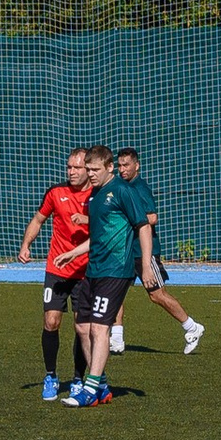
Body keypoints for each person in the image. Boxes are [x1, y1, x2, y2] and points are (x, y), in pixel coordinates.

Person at [64, 146, 153, 407]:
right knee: (83, 327)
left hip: (116, 271)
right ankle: (100, 385)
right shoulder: (95, 195)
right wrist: (74, 252)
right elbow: (99, 237)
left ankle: (90, 390)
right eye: (87, 170)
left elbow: (144, 226)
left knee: (100, 328)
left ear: (109, 167)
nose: (89, 174)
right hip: (94, 269)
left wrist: (146, 266)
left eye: (94, 170)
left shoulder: (123, 191)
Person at [14, 148, 93, 400]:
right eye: (69, 167)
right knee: (51, 322)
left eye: (77, 168)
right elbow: (38, 219)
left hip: (85, 271)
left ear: (88, 168)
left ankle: (79, 379)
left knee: (82, 327)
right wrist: (26, 245)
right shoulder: (55, 192)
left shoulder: (98, 195)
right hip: (57, 269)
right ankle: (51, 375)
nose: (71, 171)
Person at [110, 148, 205, 358]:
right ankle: (116, 339)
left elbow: (152, 217)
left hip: (144, 251)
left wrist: (131, 219)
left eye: (127, 165)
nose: (122, 169)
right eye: (120, 165)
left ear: (137, 166)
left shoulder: (139, 188)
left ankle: (191, 327)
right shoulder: (121, 187)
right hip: (124, 251)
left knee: (156, 295)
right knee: (114, 293)